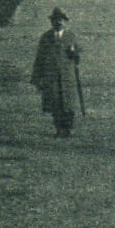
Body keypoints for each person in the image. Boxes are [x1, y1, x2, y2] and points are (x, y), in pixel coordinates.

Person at [31, 7, 83, 137]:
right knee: (55, 103)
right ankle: (59, 128)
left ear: (65, 22)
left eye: (61, 20)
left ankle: (68, 128)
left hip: (67, 75)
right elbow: (40, 58)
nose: (58, 23)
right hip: (51, 75)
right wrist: (36, 78)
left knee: (68, 103)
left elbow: (77, 59)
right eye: (56, 20)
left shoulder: (71, 37)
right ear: (52, 22)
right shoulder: (46, 38)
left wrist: (74, 53)